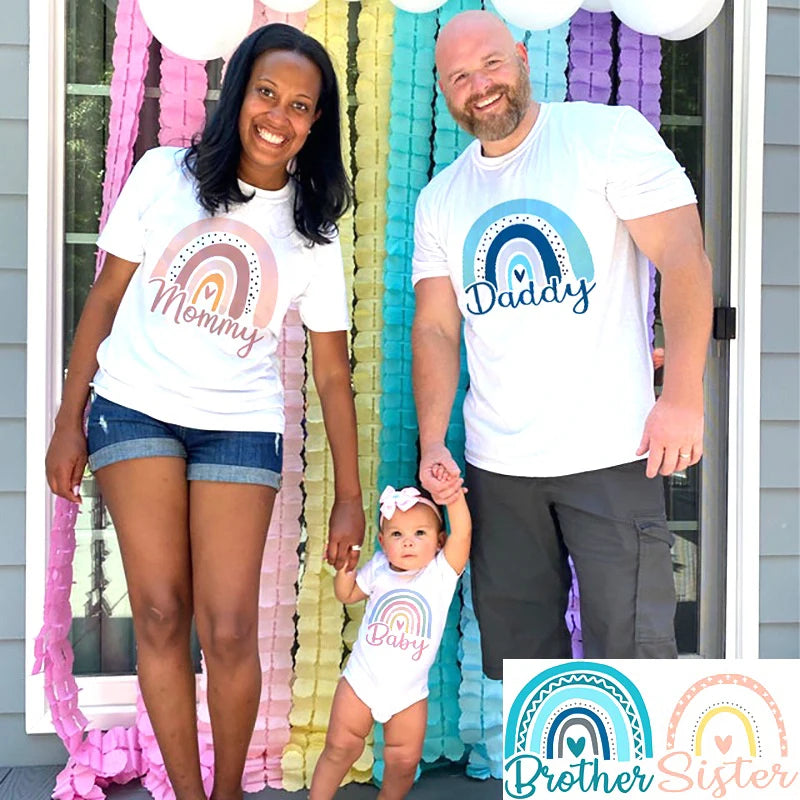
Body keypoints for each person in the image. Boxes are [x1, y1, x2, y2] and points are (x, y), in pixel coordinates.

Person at [45, 24, 364, 800]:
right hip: (134, 411)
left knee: (226, 628)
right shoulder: (163, 174)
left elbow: (329, 373)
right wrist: (68, 414)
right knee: (158, 611)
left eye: (300, 105)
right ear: (238, 95)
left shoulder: (312, 230)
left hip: (239, 425)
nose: (278, 116)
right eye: (266, 93)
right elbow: (107, 296)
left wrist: (351, 498)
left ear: (314, 122)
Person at [411, 10, 713, 678]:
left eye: (491, 63)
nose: (480, 86)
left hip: (611, 451)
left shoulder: (602, 138)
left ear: (521, 54)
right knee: (525, 667)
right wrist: (434, 443)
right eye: (459, 76)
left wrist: (683, 395)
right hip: (500, 464)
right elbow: (435, 327)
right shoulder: (442, 199)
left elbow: (685, 259)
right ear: (442, 89)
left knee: (631, 651)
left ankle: (631, 786)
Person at [309, 479, 471, 800]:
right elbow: (347, 594)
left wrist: (452, 496)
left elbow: (463, 533)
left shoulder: (440, 574)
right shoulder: (379, 569)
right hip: (361, 682)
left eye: (419, 534)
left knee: (403, 762)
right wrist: (346, 568)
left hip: (408, 696)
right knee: (340, 748)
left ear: (439, 541)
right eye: (397, 534)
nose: (408, 542)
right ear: (383, 541)